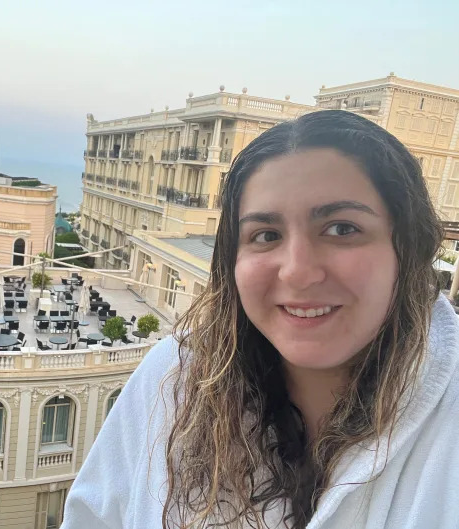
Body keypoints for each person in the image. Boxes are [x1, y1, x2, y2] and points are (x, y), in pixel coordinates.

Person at [61, 110, 459, 528]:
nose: (298, 272)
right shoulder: (172, 379)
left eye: (342, 228)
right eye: (266, 235)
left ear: (408, 247)